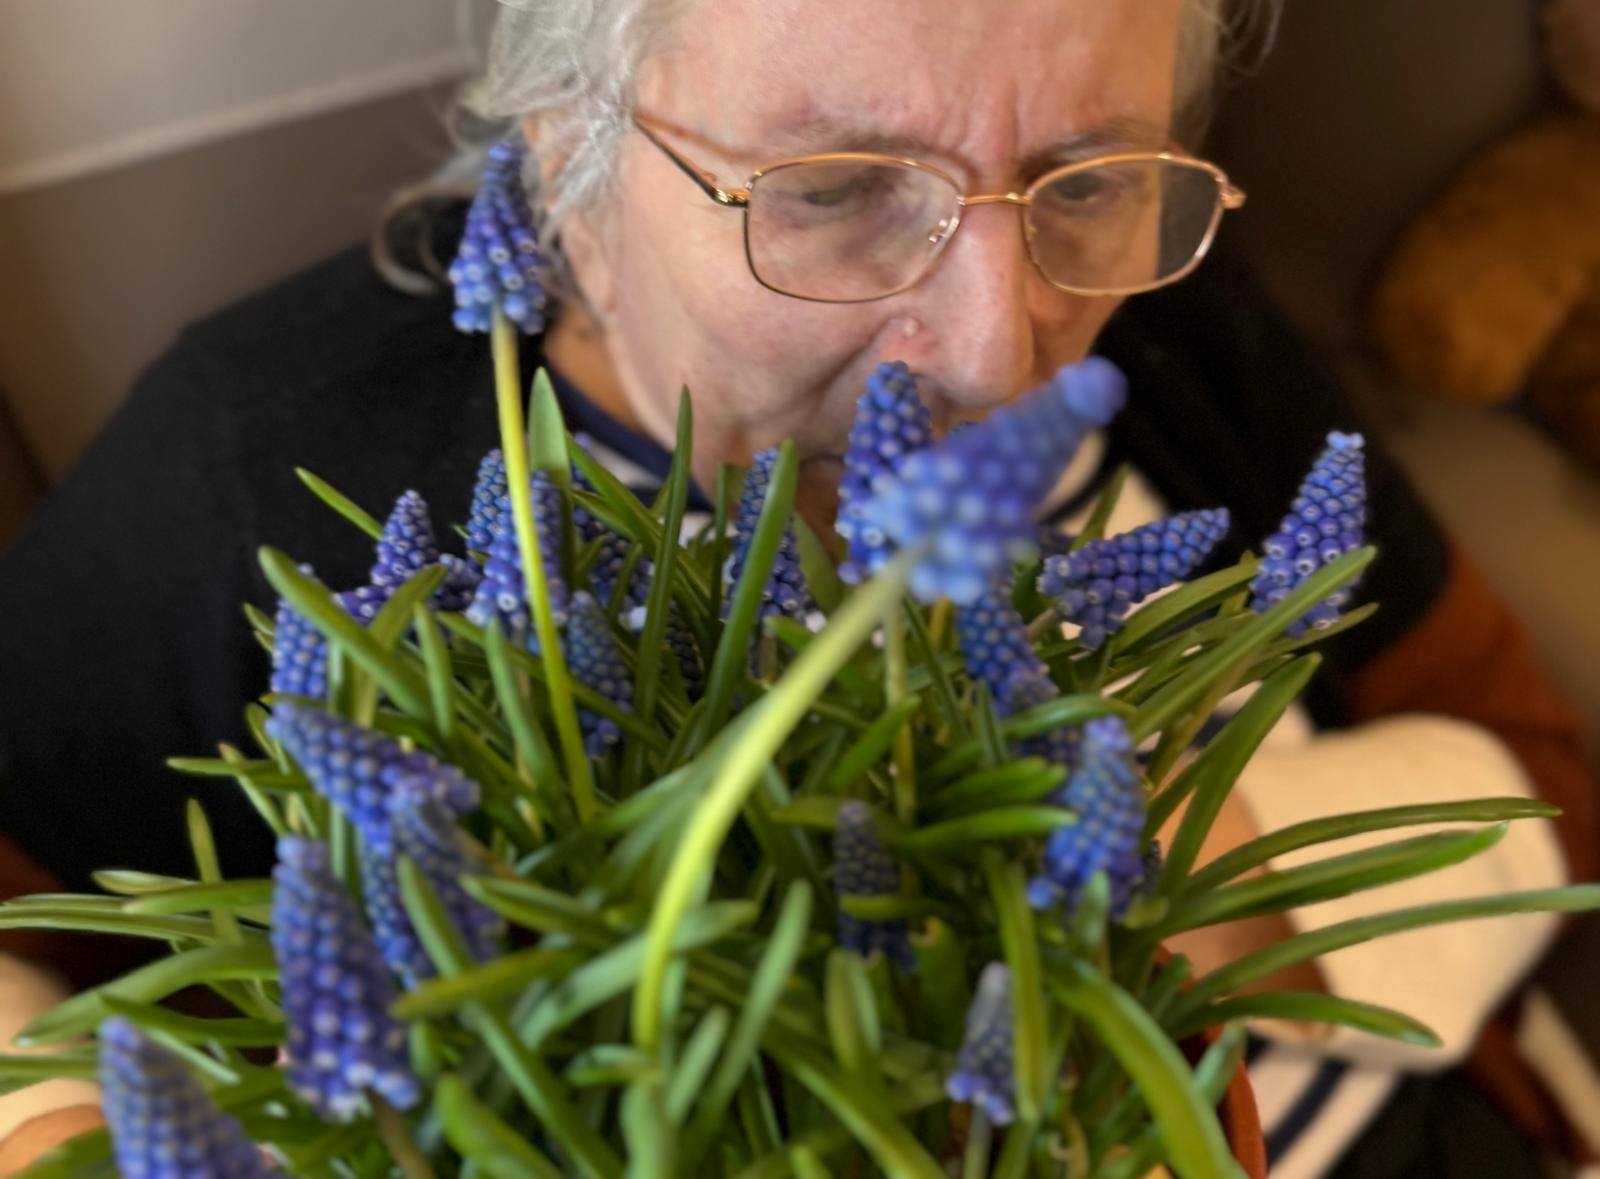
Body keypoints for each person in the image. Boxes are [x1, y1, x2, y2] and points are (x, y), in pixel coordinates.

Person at [0, 0, 1594, 1173]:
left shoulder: (1171, 300)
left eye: (1091, 179)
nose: (997, 340)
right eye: (834, 190)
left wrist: (1210, 882)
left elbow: (1533, 770)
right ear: (569, 171)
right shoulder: (252, 468)